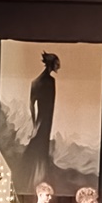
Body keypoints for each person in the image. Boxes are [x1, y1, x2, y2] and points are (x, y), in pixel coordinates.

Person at [21, 52, 60, 188]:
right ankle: (37, 175)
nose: (58, 66)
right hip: (44, 120)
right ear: (51, 64)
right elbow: (33, 105)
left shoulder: (37, 82)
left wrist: (35, 123)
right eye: (57, 63)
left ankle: (39, 174)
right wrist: (35, 124)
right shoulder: (47, 82)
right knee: (39, 144)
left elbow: (32, 105)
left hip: (42, 119)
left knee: (40, 144)